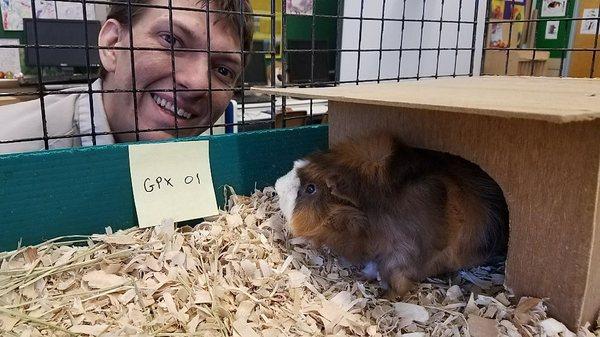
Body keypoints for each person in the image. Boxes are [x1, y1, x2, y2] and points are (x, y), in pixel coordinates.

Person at [0, 0, 253, 154]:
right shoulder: (13, 151)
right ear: (112, 44)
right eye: (171, 40)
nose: (197, 83)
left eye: (223, 70)